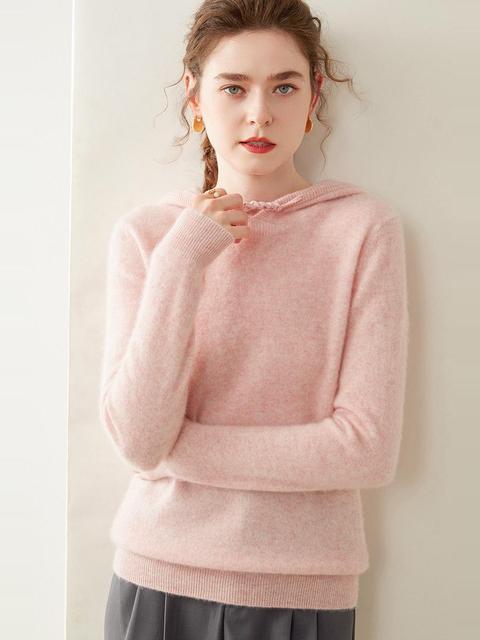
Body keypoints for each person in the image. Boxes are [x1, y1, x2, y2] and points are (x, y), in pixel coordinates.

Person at [100, 1, 409, 638]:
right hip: (155, 582)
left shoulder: (363, 229)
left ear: (314, 95)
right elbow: (136, 437)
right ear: (195, 96)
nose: (260, 113)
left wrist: (177, 451)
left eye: (284, 87)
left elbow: (366, 450)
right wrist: (182, 261)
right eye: (234, 87)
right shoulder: (150, 236)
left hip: (304, 592)